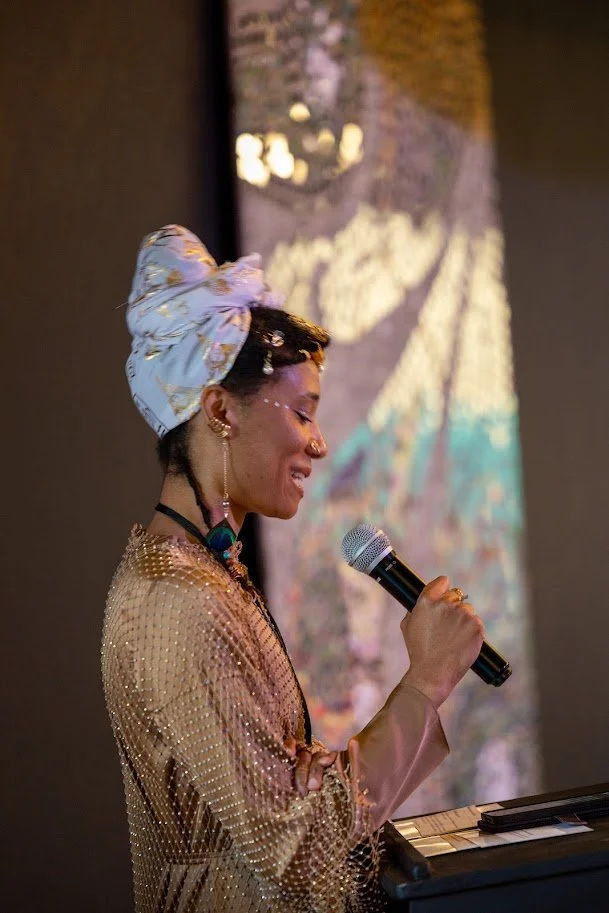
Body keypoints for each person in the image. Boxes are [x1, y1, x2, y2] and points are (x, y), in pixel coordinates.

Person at [102, 225, 484, 913]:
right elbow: (300, 854)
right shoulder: (180, 602)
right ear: (218, 409)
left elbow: (278, 811)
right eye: (303, 411)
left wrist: (311, 777)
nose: (318, 441)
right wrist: (427, 679)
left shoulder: (199, 574)